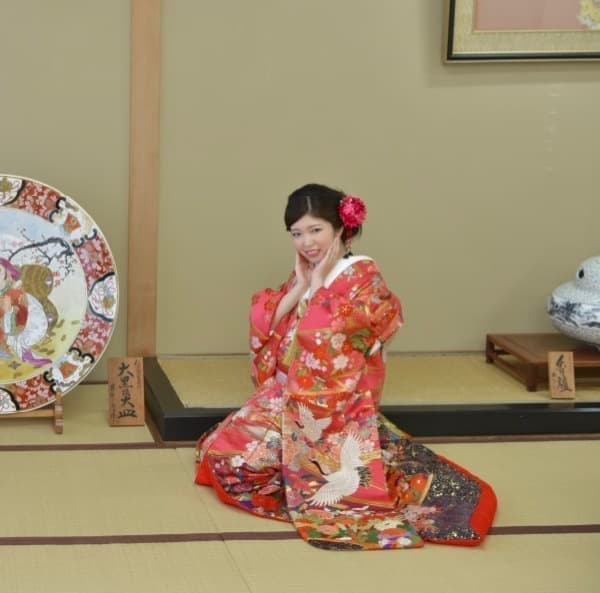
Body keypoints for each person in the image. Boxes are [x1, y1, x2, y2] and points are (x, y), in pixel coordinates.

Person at [195, 183, 496, 550]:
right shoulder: (307, 272)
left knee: (244, 471)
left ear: (341, 228)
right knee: (217, 454)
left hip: (333, 410)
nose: (307, 242)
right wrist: (303, 285)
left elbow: (343, 340)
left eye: (316, 230)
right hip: (283, 397)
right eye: (297, 233)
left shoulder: (362, 276)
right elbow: (266, 324)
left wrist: (320, 289)